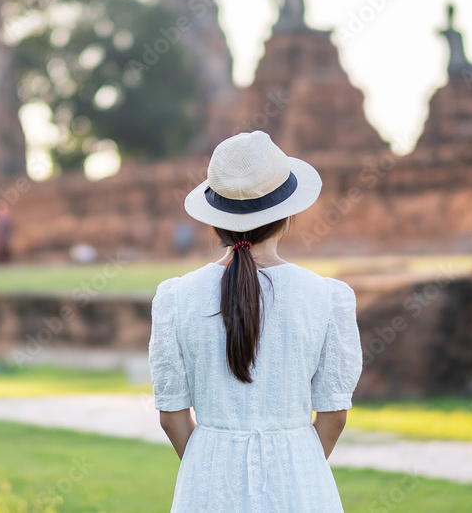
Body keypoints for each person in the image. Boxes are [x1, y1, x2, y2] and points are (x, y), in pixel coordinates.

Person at [148, 131, 363, 512]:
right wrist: (297, 467)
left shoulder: (176, 298)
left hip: (208, 483)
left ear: (216, 221)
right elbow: (334, 416)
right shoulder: (326, 297)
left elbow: (171, 417)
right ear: (286, 215)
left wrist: (210, 467)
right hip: (299, 479)